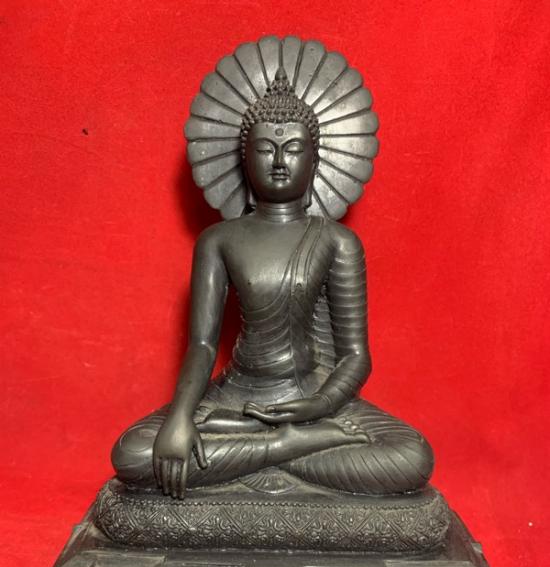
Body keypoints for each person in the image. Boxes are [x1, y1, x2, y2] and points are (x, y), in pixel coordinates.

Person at [111, 69, 433, 499]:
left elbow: (355, 356)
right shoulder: (219, 240)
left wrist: (318, 406)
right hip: (235, 396)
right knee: (134, 453)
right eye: (264, 149)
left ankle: (260, 445)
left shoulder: (336, 242)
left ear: (314, 160)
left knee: (411, 456)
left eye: (293, 149)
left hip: (312, 396)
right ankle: (285, 446)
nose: (279, 161)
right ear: (244, 159)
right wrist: (181, 417)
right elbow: (203, 345)